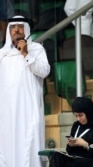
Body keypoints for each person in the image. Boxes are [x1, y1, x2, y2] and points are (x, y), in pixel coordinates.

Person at [0, 15, 50, 167]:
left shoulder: (37, 49)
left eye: (20, 26)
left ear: (26, 29)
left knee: (31, 147)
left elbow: (44, 71)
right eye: (13, 27)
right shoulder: (2, 54)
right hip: (7, 114)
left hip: (29, 111)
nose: (16, 30)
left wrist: (26, 54)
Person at [49, 97, 93, 167]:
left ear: (88, 112)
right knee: (56, 156)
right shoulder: (76, 125)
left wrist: (86, 145)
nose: (78, 119)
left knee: (78, 163)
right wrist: (70, 145)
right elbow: (69, 151)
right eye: (76, 116)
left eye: (80, 115)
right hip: (75, 158)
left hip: (90, 161)